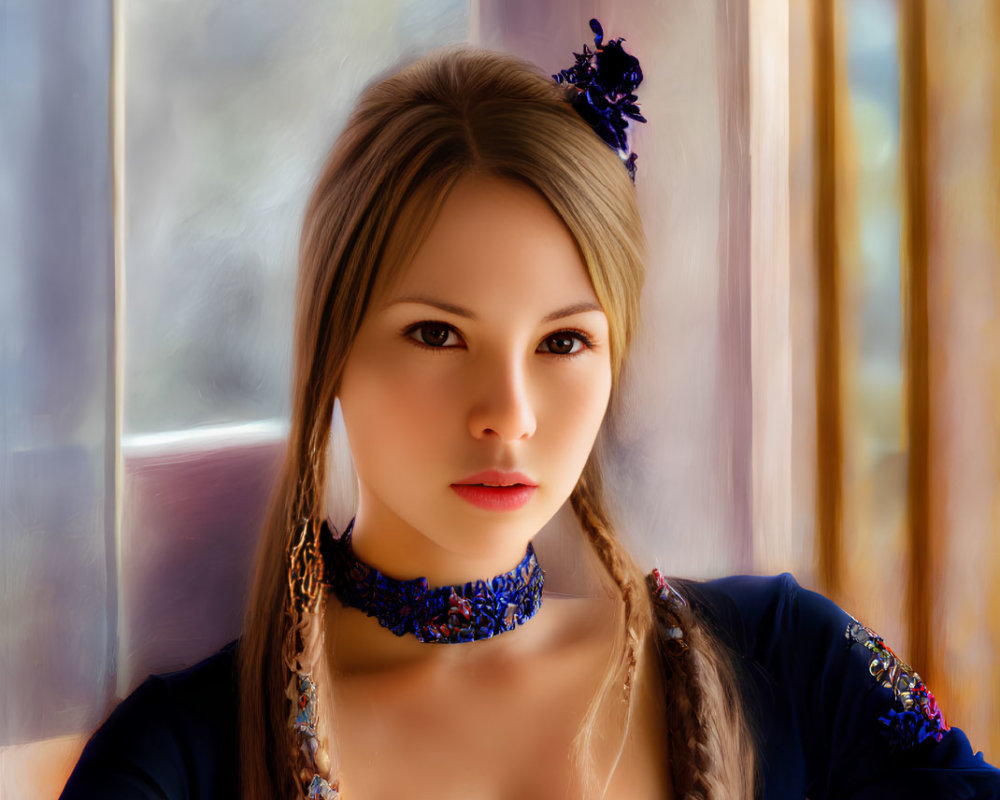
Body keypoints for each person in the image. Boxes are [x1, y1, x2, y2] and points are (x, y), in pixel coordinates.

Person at [60, 20, 1000, 800]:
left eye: (562, 343)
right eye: (436, 334)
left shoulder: (796, 669)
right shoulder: (174, 767)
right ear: (333, 352)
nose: (507, 415)